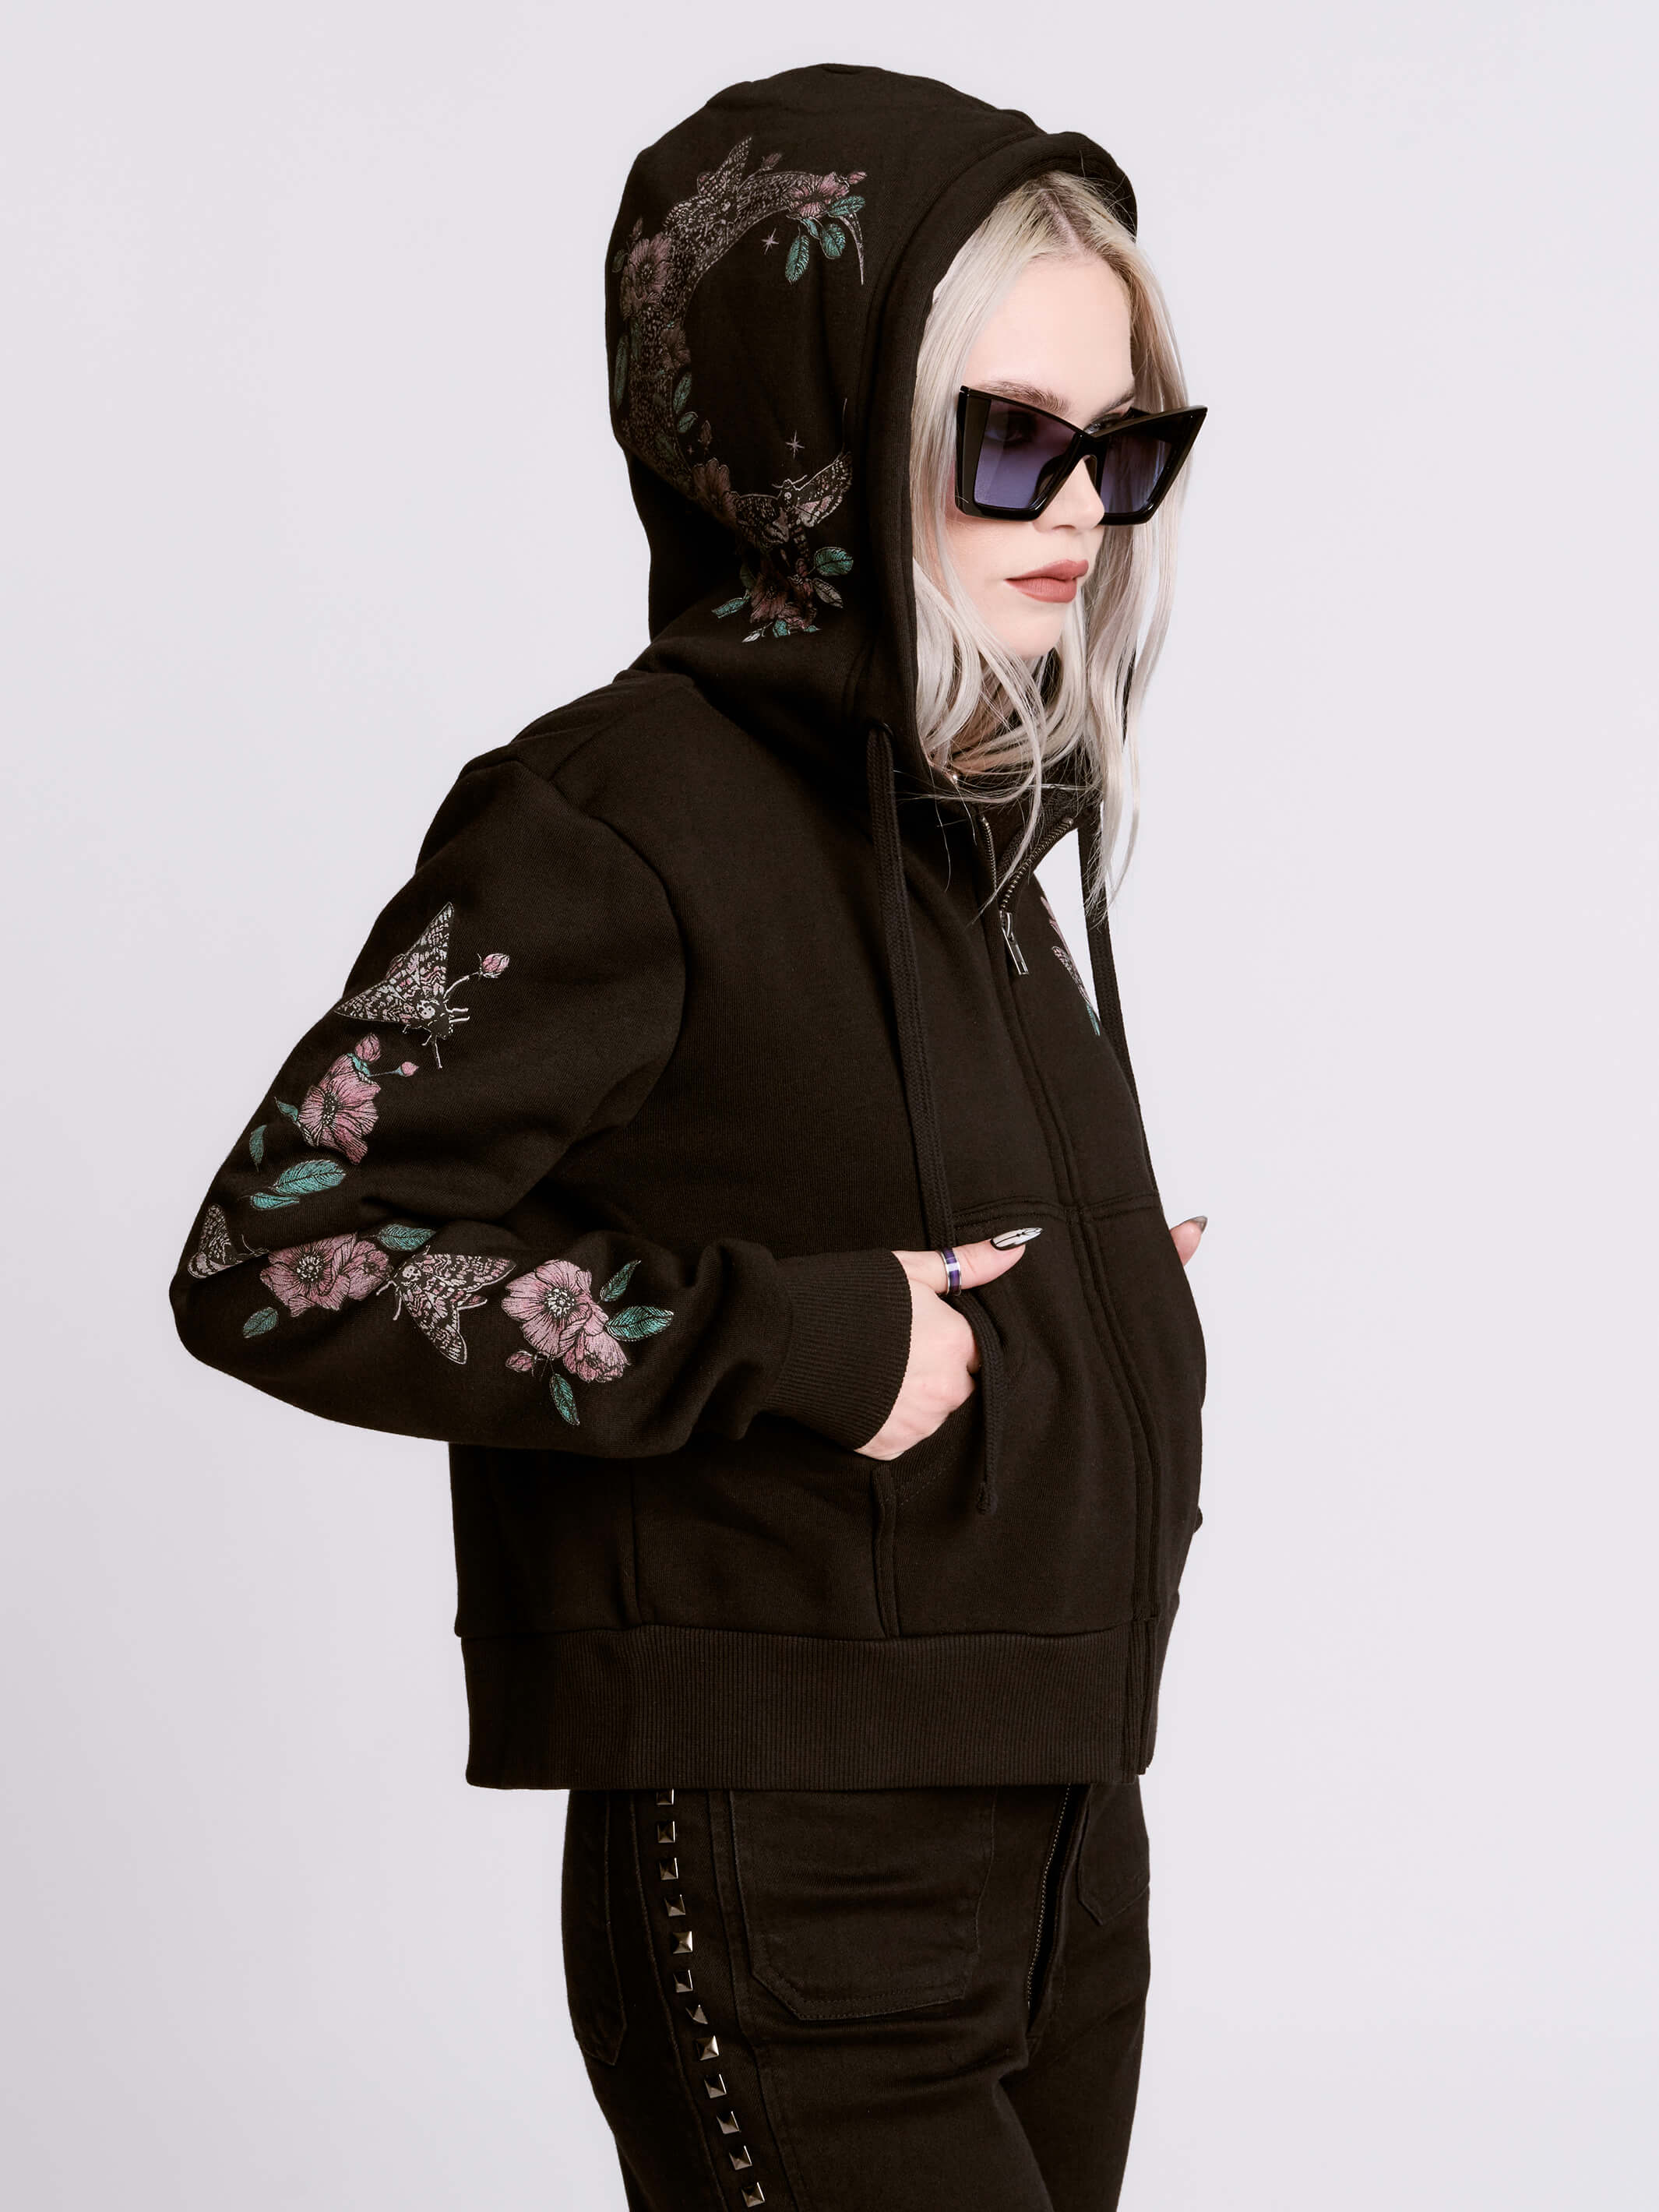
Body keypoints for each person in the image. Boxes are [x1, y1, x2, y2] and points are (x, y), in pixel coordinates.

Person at [171, 62, 1209, 2212]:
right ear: (817, 430)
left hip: (1062, 1838)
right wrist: (792, 1338)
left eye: (1125, 448)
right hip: (794, 1866)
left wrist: (1089, 1293)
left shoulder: (971, 818)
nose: (1081, 512)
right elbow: (277, 1253)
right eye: (1011, 440)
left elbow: (816, 1165)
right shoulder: (616, 814)